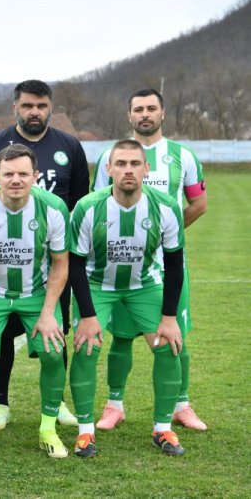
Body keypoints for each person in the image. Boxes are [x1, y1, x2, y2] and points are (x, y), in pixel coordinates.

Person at [0, 79, 89, 430]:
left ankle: (56, 401)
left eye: (42, 105)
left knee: (54, 334)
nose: (35, 111)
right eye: (28, 105)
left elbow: (78, 200)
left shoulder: (69, 146)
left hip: (46, 269)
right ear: (15, 107)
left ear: (50, 107)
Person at [91, 89, 208, 431]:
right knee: (121, 336)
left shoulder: (182, 155)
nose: (145, 114)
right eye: (139, 109)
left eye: (151, 108)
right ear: (129, 115)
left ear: (163, 112)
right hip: (119, 263)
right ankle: (114, 405)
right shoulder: (111, 156)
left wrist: (163, 237)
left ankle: (181, 405)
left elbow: (199, 203)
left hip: (167, 267)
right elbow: (97, 202)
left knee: (176, 334)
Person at [68, 139, 186, 458]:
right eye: (120, 164)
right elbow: (75, 264)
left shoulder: (165, 207)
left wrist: (169, 318)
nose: (128, 170)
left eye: (135, 163)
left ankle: (162, 429)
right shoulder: (88, 207)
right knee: (86, 348)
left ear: (147, 169)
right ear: (108, 169)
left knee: (169, 347)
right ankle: (85, 433)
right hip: (97, 284)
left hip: (143, 285)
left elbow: (175, 264)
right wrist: (89, 317)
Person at [0, 144, 71, 463]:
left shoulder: (53, 208)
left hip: (35, 292)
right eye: (8, 174)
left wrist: (49, 312)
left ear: (36, 176)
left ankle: (48, 430)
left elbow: (60, 263)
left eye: (24, 173)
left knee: (53, 353)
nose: (16, 180)